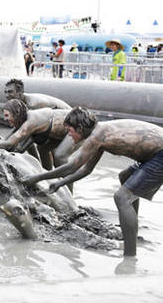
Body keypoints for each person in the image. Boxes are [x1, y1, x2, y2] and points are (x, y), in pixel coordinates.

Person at [22, 108, 163, 257]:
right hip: (152, 154)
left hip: (159, 154)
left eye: (70, 131)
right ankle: (131, 231)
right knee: (125, 177)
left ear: (80, 128)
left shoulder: (97, 136)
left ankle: (129, 256)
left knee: (122, 197)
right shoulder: (100, 133)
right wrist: (60, 183)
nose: (69, 135)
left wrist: (37, 177)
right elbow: (85, 170)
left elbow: (72, 166)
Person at [0, 99, 76, 172]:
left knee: (59, 156)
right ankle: (46, 177)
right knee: (43, 149)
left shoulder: (31, 121)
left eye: (7, 115)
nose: (5, 119)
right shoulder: (23, 120)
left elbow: (9, 143)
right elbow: (5, 139)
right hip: (59, 131)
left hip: (77, 126)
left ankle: (69, 192)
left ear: (16, 113)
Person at [4, 79, 71, 110]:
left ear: (20, 93)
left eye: (10, 92)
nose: (7, 95)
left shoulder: (33, 104)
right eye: (6, 92)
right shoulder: (22, 101)